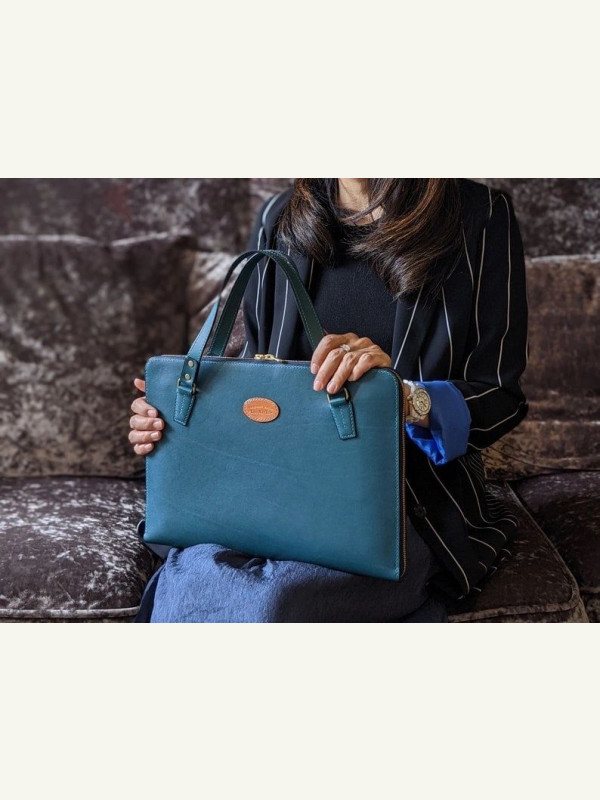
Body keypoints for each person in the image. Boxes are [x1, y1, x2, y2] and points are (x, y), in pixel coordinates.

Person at [129, 178, 529, 622]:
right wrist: (173, 423)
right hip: (268, 497)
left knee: (276, 601)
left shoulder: (479, 215)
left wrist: (405, 398)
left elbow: (501, 395)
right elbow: (257, 381)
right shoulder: (278, 217)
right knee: (196, 576)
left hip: (404, 507)